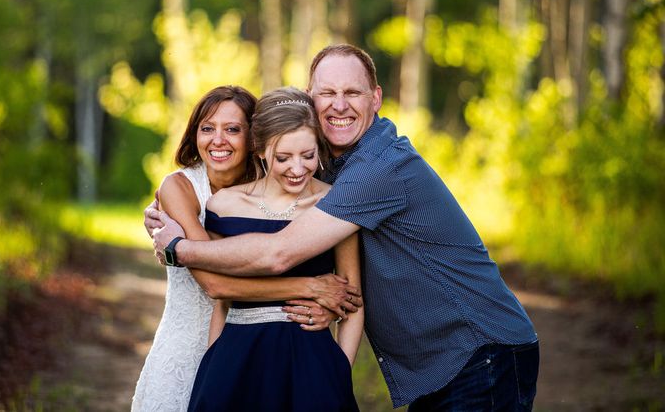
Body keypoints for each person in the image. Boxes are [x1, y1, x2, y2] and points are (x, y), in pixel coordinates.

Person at [148, 44, 539, 411]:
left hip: (480, 350)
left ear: (376, 98)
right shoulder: (332, 166)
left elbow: (280, 252)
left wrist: (178, 247)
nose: (339, 105)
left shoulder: (378, 168)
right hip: (442, 360)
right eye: (327, 93)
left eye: (353, 93)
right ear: (309, 98)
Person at [132, 86, 361, 412]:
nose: (218, 140)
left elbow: (351, 297)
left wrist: (337, 367)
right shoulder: (205, 198)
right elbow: (217, 286)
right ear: (264, 150)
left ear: (253, 139)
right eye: (207, 128)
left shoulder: (318, 197)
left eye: (232, 129)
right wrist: (312, 288)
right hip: (210, 341)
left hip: (293, 351)